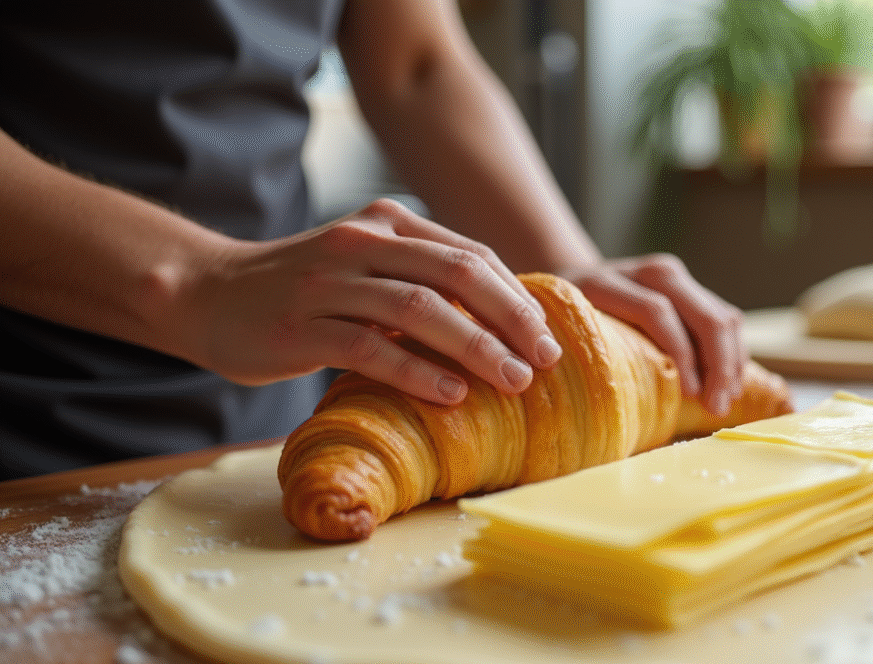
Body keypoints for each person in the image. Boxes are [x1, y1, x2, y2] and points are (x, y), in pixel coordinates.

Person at [0, 0, 748, 481]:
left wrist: (568, 278)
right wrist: (201, 280)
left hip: (266, 437)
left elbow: (418, 67)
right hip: (29, 426)